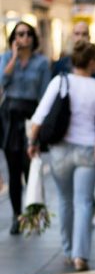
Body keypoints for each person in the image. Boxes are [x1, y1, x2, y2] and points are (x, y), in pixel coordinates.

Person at [28, 41, 95, 271]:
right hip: (88, 150)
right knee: (84, 202)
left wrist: (32, 142)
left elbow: (39, 116)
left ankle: (68, 249)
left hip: (60, 151)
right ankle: (80, 256)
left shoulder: (60, 81)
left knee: (65, 200)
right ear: (92, 62)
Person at [0, 22, 50, 234]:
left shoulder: (41, 62)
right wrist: (13, 57)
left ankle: (34, 216)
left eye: (29, 33)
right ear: (14, 38)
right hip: (10, 117)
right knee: (13, 170)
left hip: (31, 116)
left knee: (30, 167)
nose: (25, 37)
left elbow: (45, 93)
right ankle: (16, 216)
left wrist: (41, 124)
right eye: (20, 34)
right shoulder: (6, 58)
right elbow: (2, 80)